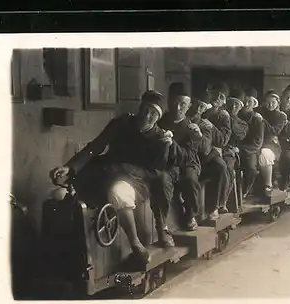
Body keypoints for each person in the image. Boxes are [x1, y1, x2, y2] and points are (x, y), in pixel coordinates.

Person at [49, 90, 176, 266]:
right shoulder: (121, 123)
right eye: (145, 110)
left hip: (137, 183)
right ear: (140, 107)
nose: (147, 116)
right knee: (62, 193)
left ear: (158, 117)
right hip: (106, 173)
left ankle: (135, 243)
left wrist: (124, 169)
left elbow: (155, 173)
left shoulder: (160, 140)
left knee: (119, 192)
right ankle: (65, 251)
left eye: (153, 114)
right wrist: (70, 167)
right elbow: (95, 147)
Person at [158, 82, 203, 231]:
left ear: (189, 106)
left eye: (183, 104)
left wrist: (172, 144)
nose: (178, 108)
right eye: (174, 103)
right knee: (161, 181)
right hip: (167, 165)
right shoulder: (159, 122)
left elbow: (189, 155)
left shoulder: (192, 128)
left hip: (187, 163)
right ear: (169, 102)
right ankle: (162, 224)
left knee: (190, 179)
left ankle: (191, 214)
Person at [187, 89, 231, 216]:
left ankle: (213, 206)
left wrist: (201, 133)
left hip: (204, 157)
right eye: (197, 105)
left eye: (202, 107)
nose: (198, 109)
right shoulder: (186, 117)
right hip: (188, 157)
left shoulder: (205, 122)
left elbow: (207, 147)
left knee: (221, 166)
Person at [221, 88, 249, 206]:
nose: (233, 107)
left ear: (241, 107)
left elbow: (237, 134)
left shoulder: (242, 124)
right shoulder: (219, 116)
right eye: (231, 103)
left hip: (229, 152)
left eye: (236, 104)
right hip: (216, 150)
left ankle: (223, 202)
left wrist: (227, 118)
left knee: (227, 169)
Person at [238, 88, 264, 198]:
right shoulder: (237, 114)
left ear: (254, 104)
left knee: (251, 168)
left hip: (250, 150)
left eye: (250, 102)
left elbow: (258, 141)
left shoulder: (257, 119)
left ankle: (245, 191)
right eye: (245, 101)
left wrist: (243, 149)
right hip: (236, 148)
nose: (247, 104)